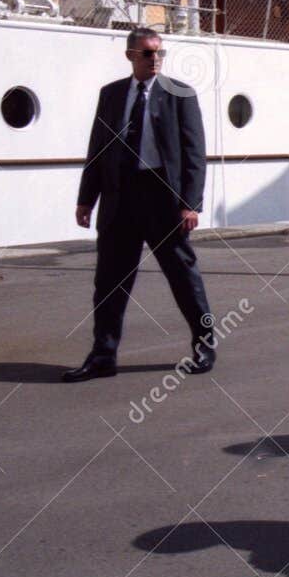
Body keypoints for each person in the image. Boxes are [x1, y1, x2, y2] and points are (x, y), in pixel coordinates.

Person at [65, 27, 214, 382]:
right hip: (120, 198)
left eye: (160, 53)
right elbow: (98, 148)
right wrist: (87, 199)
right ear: (130, 55)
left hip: (163, 198)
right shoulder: (112, 95)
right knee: (109, 282)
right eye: (148, 53)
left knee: (183, 277)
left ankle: (205, 344)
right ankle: (103, 356)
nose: (155, 59)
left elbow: (195, 154)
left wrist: (190, 204)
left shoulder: (179, 94)